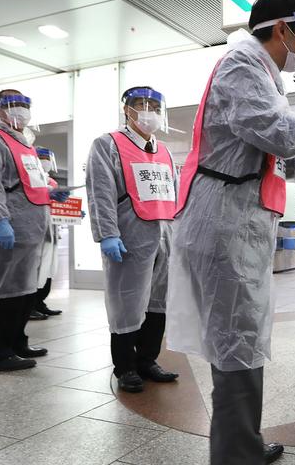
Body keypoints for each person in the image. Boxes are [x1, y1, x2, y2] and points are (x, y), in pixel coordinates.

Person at [165, 0, 295, 465]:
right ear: (281, 28)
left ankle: (242, 443)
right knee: (235, 340)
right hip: (225, 220)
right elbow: (283, 134)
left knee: (241, 336)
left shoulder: (264, 75)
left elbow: (275, 157)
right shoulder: (242, 66)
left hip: (237, 218)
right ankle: (235, 455)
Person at [86, 86, 179, 393]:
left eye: (154, 105)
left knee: (157, 302)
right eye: (141, 104)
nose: (148, 111)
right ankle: (125, 366)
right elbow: (100, 192)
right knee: (127, 301)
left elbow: (174, 192)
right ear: (127, 109)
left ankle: (147, 360)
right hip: (130, 236)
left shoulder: (163, 150)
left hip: (164, 235)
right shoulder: (108, 144)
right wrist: (107, 234)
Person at [0, 90, 68, 372]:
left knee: (26, 289)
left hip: (34, 223)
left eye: (24, 105)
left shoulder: (26, 144)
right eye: (13, 105)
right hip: (13, 223)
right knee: (7, 289)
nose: (20, 110)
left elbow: (29, 182)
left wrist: (49, 193)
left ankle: (17, 342)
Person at [29, 147, 64, 320]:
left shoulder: (50, 181)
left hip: (50, 229)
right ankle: (30, 305)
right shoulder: (32, 177)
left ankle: (39, 302)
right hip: (36, 229)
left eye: (48, 158)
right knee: (37, 269)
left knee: (49, 268)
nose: (46, 162)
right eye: (43, 158)